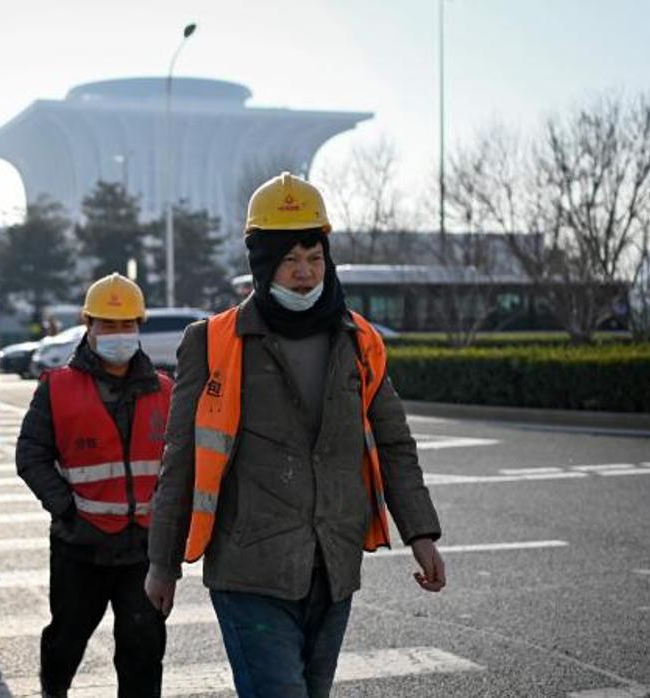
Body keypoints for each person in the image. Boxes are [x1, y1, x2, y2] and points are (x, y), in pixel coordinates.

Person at [145, 172, 447, 697]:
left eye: (314, 258)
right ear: (262, 264)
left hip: (332, 565)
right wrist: (162, 564)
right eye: (290, 261)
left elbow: (394, 443)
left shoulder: (359, 341)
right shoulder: (212, 342)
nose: (305, 274)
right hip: (249, 569)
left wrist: (421, 536)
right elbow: (183, 458)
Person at [16, 273, 171, 698]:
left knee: (142, 650)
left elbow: (178, 466)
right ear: (89, 326)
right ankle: (54, 690)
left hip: (142, 549)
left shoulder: (164, 391)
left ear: (138, 325)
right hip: (79, 546)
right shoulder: (58, 388)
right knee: (66, 641)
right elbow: (30, 454)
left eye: (127, 325)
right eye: (108, 324)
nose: (119, 334)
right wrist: (65, 509)